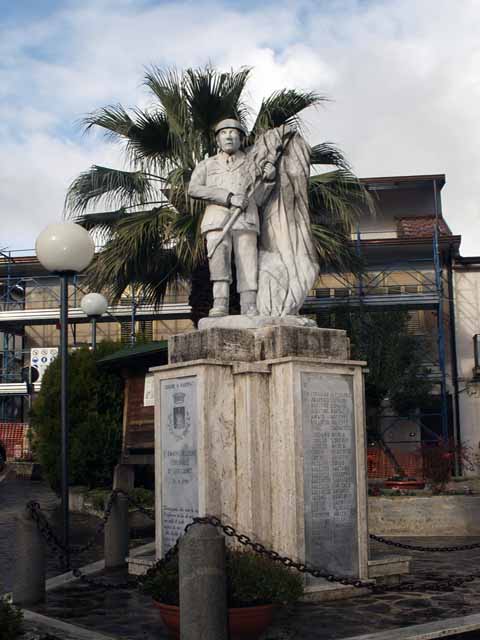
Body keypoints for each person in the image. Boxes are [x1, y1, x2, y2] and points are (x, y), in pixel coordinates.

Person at [188, 118, 276, 317]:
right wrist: (228, 198)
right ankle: (220, 302)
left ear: (241, 139)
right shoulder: (207, 165)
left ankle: (249, 304)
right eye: (223, 133)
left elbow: (259, 198)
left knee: (248, 261)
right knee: (218, 260)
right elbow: (193, 188)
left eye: (233, 132)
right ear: (217, 140)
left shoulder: (253, 165)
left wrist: (268, 180)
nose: (228, 136)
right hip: (216, 220)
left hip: (245, 220)